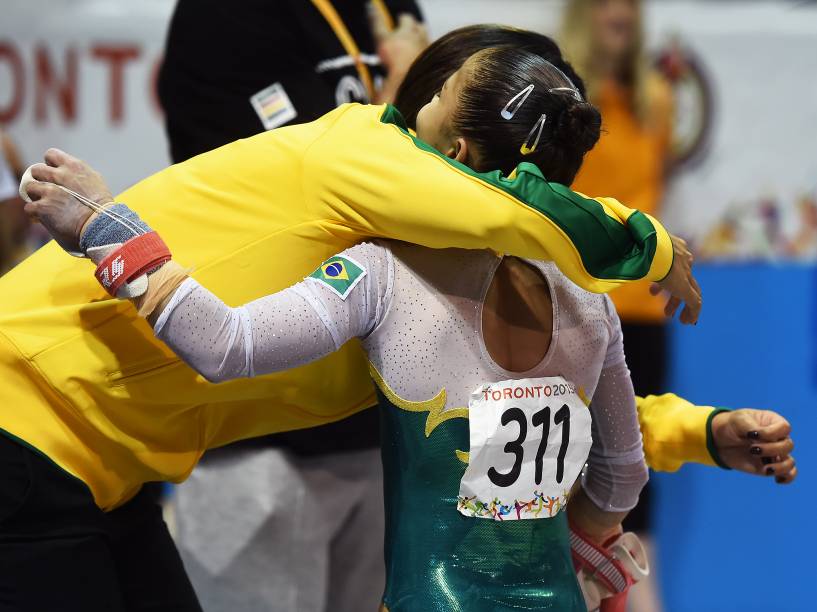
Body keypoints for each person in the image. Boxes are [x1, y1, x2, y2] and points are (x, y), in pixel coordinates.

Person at [20, 38, 795, 611]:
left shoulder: (389, 272)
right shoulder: (575, 295)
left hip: (106, 461)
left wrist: (109, 229)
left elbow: (229, 344)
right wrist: (679, 452)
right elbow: (601, 451)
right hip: (34, 419)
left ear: (451, 150)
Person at [157, 2, 427, 609]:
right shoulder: (225, 16)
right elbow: (293, 185)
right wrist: (408, 89)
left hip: (378, 418)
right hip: (258, 425)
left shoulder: (392, 8)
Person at [558, 2, 685, 608]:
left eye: (632, 3)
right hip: (576, 306)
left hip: (643, 316)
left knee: (638, 461)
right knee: (567, 462)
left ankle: (635, 588)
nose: (623, 13)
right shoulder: (560, 97)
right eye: (609, 1)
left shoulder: (655, 100)